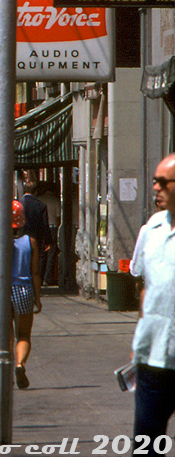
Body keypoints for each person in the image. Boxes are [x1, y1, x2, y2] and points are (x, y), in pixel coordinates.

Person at [130, 151, 175, 440]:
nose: (155, 187)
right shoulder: (151, 229)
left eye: (162, 181)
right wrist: (139, 337)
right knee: (147, 442)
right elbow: (144, 284)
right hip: (153, 358)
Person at [10, 199, 42, 389]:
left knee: (5, 336)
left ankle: (4, 370)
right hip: (24, 290)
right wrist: (37, 297)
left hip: (3, 291)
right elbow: (35, 272)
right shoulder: (31, 242)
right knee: (23, 335)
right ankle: (20, 363)